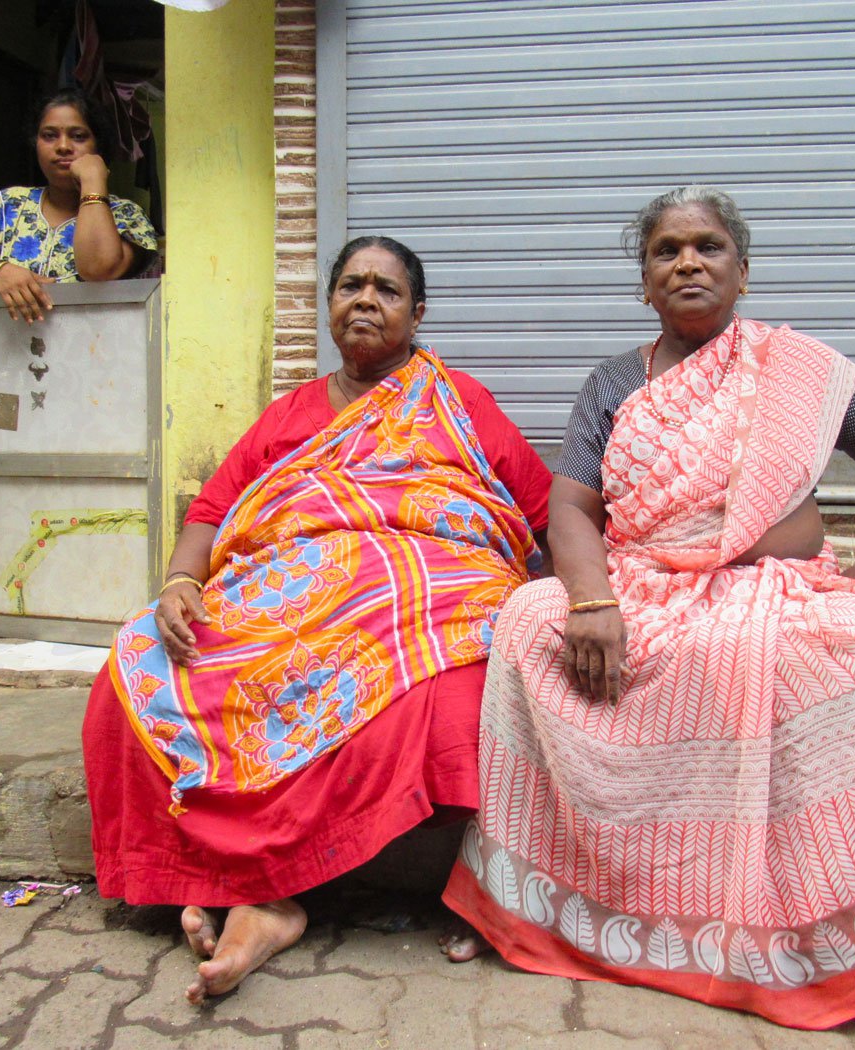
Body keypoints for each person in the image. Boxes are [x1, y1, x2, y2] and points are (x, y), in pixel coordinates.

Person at [442, 186, 855, 1030]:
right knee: (529, 619)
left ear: (742, 272)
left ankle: (853, 948)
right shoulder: (614, 382)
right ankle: (528, 907)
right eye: (665, 251)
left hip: (774, 589)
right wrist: (591, 599)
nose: (687, 262)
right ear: (644, 283)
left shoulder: (798, 368)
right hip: (640, 584)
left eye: (708, 247)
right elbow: (571, 506)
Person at [83, 236, 551, 1004]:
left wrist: (575, 606)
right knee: (141, 666)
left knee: (447, 699)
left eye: (387, 290)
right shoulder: (290, 414)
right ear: (329, 305)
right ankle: (254, 895)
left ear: (418, 314)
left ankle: (260, 899)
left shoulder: (459, 401)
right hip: (289, 599)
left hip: (428, 599)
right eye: (350, 286)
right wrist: (179, 582)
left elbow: (540, 508)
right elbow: (211, 511)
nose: (366, 299)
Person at [0, 88, 158, 324]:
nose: (63, 146)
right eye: (49, 136)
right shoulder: (9, 205)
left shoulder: (127, 216)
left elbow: (98, 269)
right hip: (10, 345)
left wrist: (93, 181)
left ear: (98, 146)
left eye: (78, 136)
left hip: (96, 344)